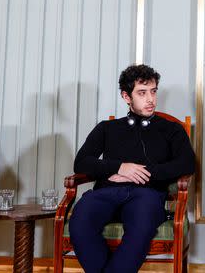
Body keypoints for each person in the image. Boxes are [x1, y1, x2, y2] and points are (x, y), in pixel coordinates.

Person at [68, 64, 196, 273]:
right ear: (126, 97)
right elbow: (81, 162)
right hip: (106, 192)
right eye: (142, 93)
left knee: (140, 229)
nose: (150, 99)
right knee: (80, 222)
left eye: (153, 92)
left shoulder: (171, 129)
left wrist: (142, 173)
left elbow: (187, 163)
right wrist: (119, 167)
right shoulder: (107, 128)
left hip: (147, 195)